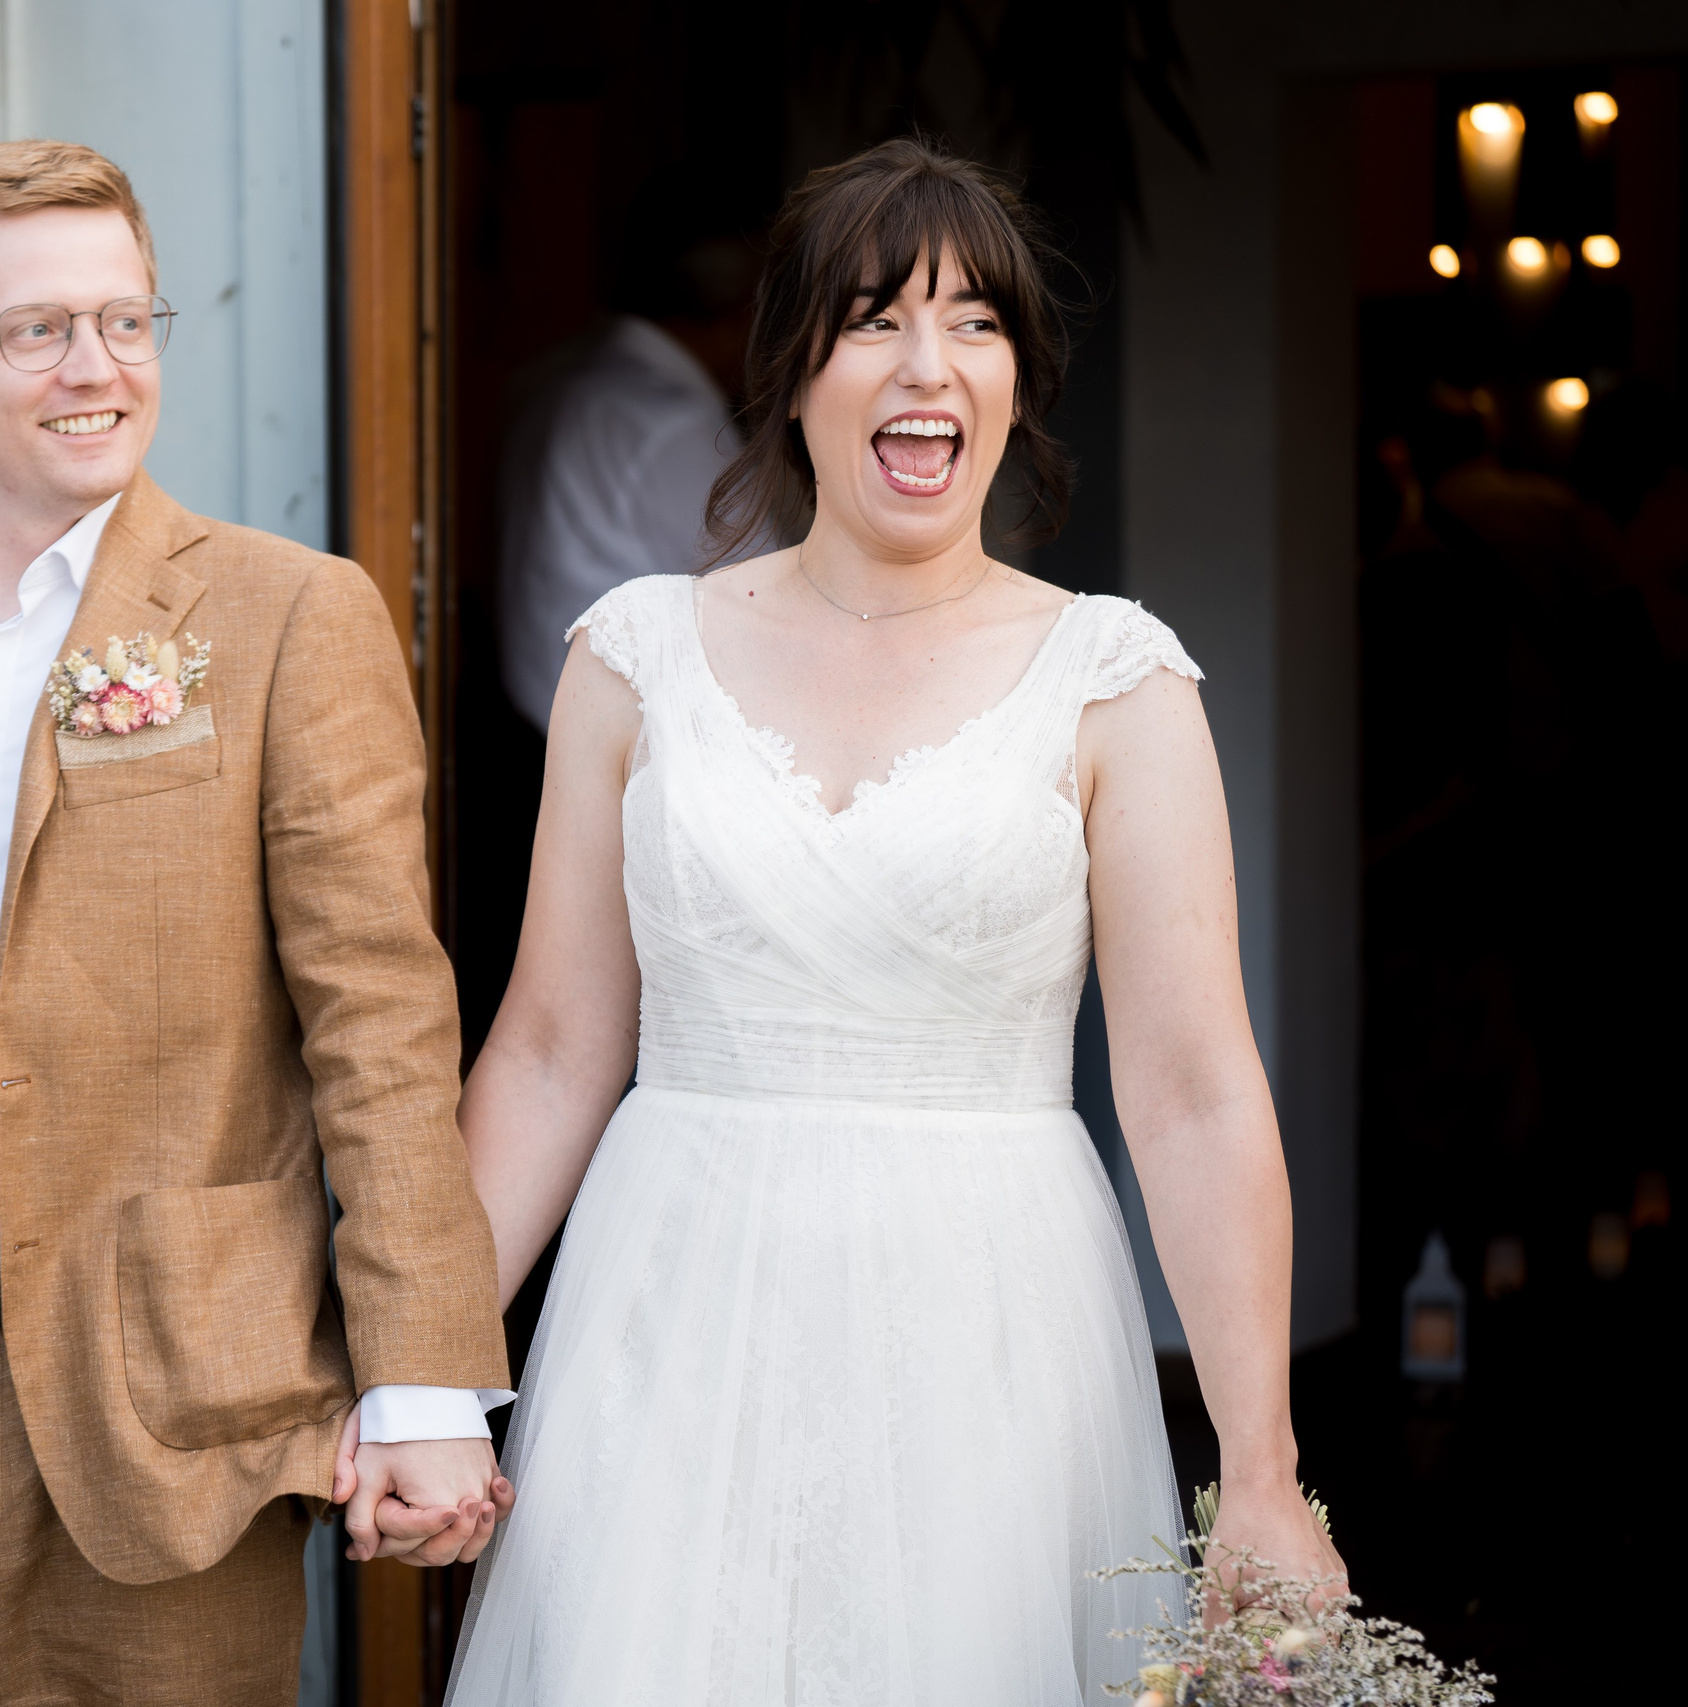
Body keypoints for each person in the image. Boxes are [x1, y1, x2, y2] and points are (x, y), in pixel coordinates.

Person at [444, 138, 1346, 1703]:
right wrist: (423, 1368)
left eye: (977, 322)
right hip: (667, 1328)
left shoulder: (1115, 680)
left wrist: (1260, 1471)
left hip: (992, 1336)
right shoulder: (635, 654)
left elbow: (1194, 1091)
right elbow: (545, 1047)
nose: (929, 364)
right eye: (874, 317)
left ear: (1016, 382)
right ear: (790, 367)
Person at [0, 139, 514, 1703]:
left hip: (155, 1431)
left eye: (128, 321)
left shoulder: (291, 615)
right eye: (38, 331)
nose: (98, 367)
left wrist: (426, 1378)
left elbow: (380, 1025)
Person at [496, 232, 757, 733]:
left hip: (526, 717)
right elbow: (762, 590)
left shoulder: (542, 380)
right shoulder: (677, 425)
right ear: (735, 317)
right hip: (613, 744)